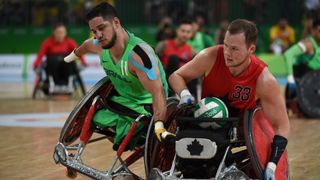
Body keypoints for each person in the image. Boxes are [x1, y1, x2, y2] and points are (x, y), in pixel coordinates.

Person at [169, 19, 290, 180]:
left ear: (251, 49)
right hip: (205, 120)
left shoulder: (264, 80)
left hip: (237, 130)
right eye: (225, 45)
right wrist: (184, 94)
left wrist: (272, 164)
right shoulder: (210, 56)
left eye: (234, 49)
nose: (227, 52)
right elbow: (176, 75)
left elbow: (282, 125)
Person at [64, 2, 174, 148]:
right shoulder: (97, 44)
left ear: (116, 22)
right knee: (92, 116)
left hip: (146, 105)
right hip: (123, 99)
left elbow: (157, 91)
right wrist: (67, 59)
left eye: (102, 28)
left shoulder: (138, 55)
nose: (98, 35)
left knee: (125, 137)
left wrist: (159, 125)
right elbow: (83, 47)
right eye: (94, 31)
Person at [155, 19, 196, 96]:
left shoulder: (191, 50)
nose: (185, 34)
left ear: (191, 34)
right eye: (183, 31)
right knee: (174, 59)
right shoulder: (164, 45)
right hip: (165, 82)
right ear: (177, 31)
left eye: (188, 32)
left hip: (183, 83)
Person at [284, 18, 320, 99]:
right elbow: (288, 54)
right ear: (313, 31)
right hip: (301, 88)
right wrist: (290, 78)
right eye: (319, 31)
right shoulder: (308, 44)